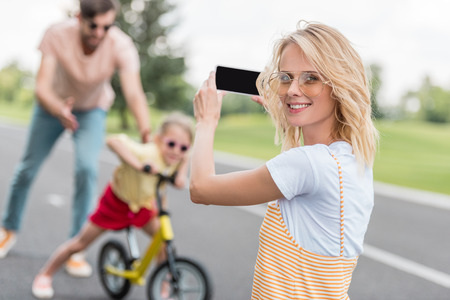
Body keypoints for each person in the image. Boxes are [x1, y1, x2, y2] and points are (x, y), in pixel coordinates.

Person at [190, 20, 379, 299]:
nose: (292, 89)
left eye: (311, 78)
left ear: (340, 85)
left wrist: (206, 121)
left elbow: (201, 189)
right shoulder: (354, 158)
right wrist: (293, 107)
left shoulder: (306, 165)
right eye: (285, 77)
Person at [0, 0, 151, 276]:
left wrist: (146, 133)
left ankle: (76, 247)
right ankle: (7, 228)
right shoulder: (56, 33)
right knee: (27, 169)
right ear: (79, 16)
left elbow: (134, 94)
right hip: (52, 106)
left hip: (92, 110)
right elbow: (42, 86)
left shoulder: (121, 45)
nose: (99, 33)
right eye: (93, 25)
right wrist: (59, 109)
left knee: (86, 169)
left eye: (107, 26)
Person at [31, 112, 194, 299]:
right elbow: (113, 141)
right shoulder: (146, 152)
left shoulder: (178, 159)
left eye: (183, 148)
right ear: (158, 140)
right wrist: (138, 165)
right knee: (80, 244)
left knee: (165, 243)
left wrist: (183, 168)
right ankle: (45, 274)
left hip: (142, 206)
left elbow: (180, 181)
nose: (176, 151)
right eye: (171, 144)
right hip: (116, 205)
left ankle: (163, 285)